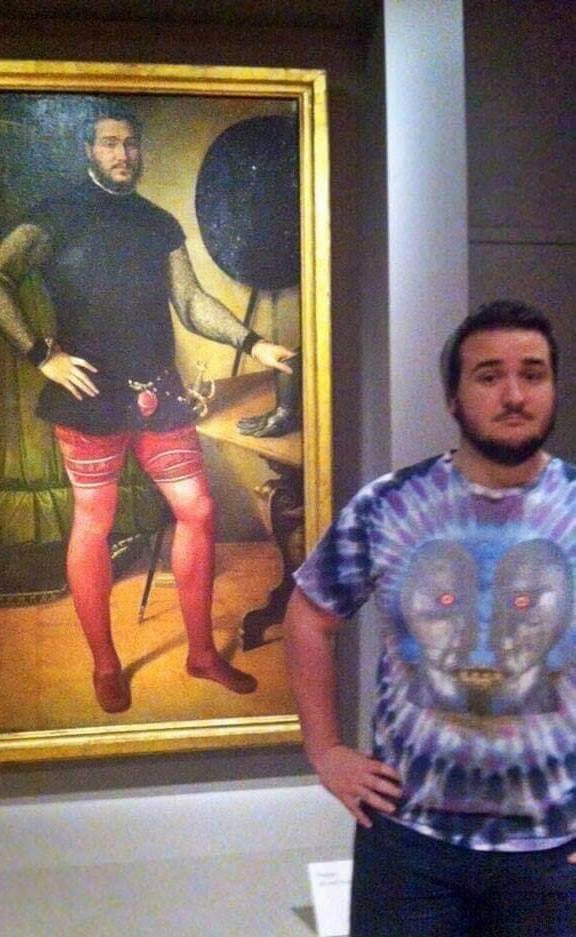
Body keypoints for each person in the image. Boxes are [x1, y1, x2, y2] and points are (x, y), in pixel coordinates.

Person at [0, 100, 294, 713]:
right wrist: (41, 354)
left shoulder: (158, 222)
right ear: (88, 150)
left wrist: (253, 342)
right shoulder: (53, 216)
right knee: (93, 524)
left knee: (197, 509)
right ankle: (105, 663)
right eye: (110, 143)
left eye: (130, 143)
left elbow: (191, 302)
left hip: (157, 391)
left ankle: (201, 653)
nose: (123, 154)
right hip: (88, 399)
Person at [284, 300, 574, 936]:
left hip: (554, 848)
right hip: (410, 843)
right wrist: (325, 751)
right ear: (453, 397)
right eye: (489, 375)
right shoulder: (388, 506)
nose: (514, 394)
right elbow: (309, 615)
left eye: (533, 373)